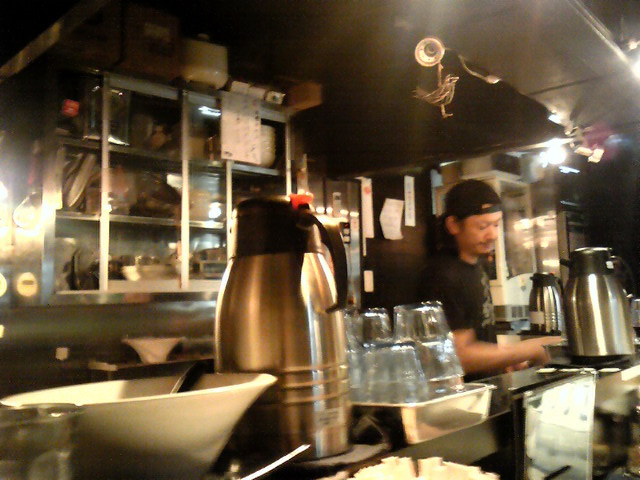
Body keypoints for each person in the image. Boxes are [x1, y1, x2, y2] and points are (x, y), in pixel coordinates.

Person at [418, 179, 562, 380]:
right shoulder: (443, 275)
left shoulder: (478, 264)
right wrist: (531, 349)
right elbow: (459, 356)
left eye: (496, 224)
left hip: (489, 386)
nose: (492, 234)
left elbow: (480, 336)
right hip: (466, 394)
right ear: (453, 225)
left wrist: (503, 362)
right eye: (483, 226)